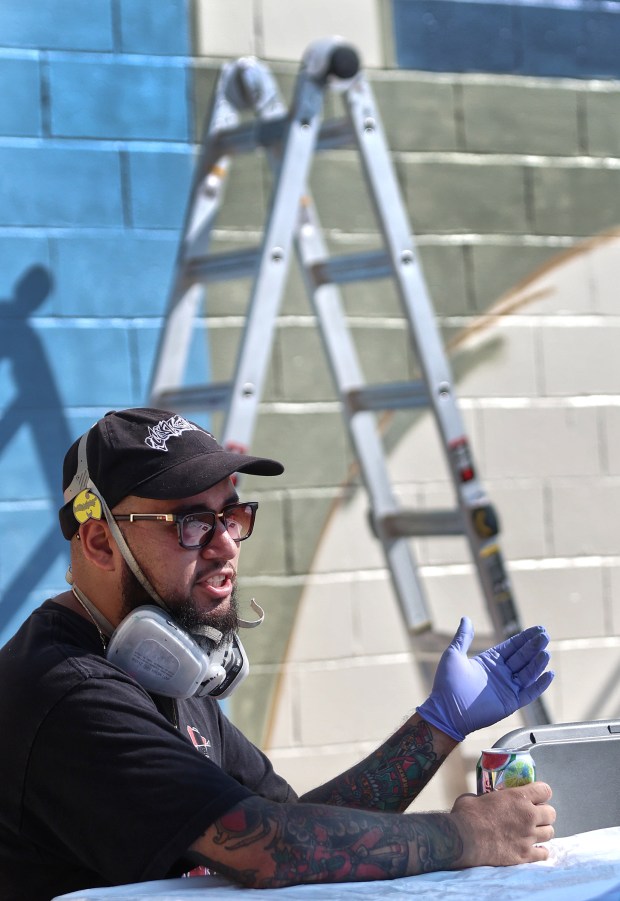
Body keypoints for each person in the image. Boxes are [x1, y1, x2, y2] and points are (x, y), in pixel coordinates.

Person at [0, 407, 556, 901]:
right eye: (191, 523)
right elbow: (274, 850)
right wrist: (471, 836)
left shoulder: (167, 669)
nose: (224, 546)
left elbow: (294, 825)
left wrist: (437, 726)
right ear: (99, 543)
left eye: (231, 517)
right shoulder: (66, 692)